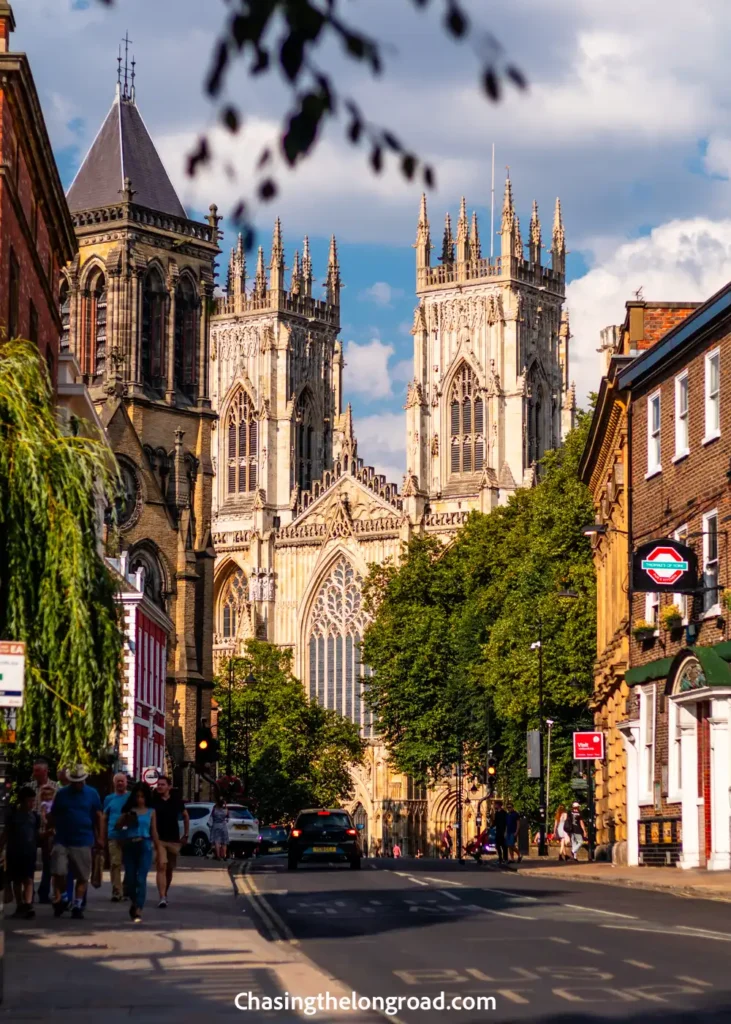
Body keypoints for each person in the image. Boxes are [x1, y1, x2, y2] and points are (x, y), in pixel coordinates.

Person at [49, 764, 102, 920]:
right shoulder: (62, 794)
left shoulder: (92, 794)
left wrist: (100, 837)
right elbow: (55, 813)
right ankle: (64, 896)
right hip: (62, 838)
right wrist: (49, 828)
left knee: (82, 875)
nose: (77, 784)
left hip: (83, 839)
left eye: (80, 781)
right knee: (58, 871)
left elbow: (99, 816)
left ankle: (77, 905)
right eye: (74, 781)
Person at [117, 783, 161, 923]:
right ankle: (134, 902)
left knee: (141, 879)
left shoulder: (151, 811)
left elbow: (154, 831)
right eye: (137, 796)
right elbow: (118, 827)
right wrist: (124, 819)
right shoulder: (129, 810)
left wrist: (158, 850)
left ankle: (138, 909)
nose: (140, 799)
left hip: (144, 845)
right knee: (130, 879)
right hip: (130, 845)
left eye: (142, 796)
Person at [0, 787, 41, 918]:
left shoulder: (35, 816)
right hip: (14, 852)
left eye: (33, 801)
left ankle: (28, 905)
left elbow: (37, 834)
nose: (32, 804)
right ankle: (20, 904)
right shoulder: (13, 815)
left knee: (28, 878)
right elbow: (5, 834)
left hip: (29, 853)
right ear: (22, 801)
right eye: (29, 801)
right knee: (16, 880)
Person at [153, 776, 189, 908]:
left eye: (162, 784)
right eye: (158, 784)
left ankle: (165, 893)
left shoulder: (176, 801)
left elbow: (186, 816)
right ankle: (162, 897)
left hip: (173, 840)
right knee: (161, 866)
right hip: (159, 839)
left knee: (169, 869)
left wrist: (186, 834)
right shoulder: (154, 801)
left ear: (169, 787)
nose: (159, 786)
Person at [27, 757, 58, 904]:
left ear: (45, 771)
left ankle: (44, 892)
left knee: (48, 863)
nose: (34, 773)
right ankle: (29, 891)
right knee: (29, 862)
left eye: (37, 771)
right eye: (34, 771)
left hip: (48, 830)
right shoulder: (30, 787)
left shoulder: (55, 788)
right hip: (32, 830)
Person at [103, 773, 129, 901]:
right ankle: (117, 891)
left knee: (130, 865)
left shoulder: (131, 797)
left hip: (129, 836)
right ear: (114, 783)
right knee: (115, 863)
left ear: (126, 782)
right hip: (113, 835)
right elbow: (104, 817)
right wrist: (102, 836)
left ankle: (126, 889)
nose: (120, 783)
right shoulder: (109, 799)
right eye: (117, 781)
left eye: (122, 781)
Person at [210, 795, 229, 860]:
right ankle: (224, 856)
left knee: (217, 841)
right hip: (223, 826)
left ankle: (218, 856)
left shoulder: (214, 809)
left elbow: (212, 815)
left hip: (216, 825)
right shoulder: (224, 810)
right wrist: (225, 805)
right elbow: (227, 814)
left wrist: (216, 805)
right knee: (224, 842)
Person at [493, 800, 508, 866]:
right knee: (497, 846)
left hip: (503, 831)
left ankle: (505, 859)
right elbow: (495, 822)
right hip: (498, 831)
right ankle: (500, 858)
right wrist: (490, 827)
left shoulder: (504, 813)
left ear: (499, 805)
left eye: (495, 804)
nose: (494, 806)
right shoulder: (496, 813)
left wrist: (505, 832)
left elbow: (506, 823)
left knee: (504, 846)